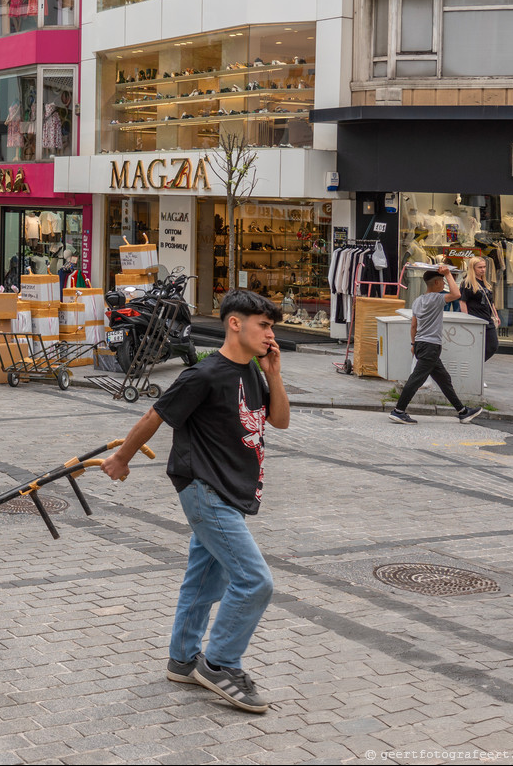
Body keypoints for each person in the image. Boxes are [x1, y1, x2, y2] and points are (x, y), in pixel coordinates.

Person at [101, 290, 290, 714]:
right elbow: (156, 414)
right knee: (255, 580)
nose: (270, 334)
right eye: (264, 325)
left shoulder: (254, 373)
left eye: (272, 327)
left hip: (229, 491)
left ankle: (184, 660)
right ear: (235, 324)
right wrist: (121, 458)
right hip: (205, 490)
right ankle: (220, 664)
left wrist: (274, 373)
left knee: (207, 581)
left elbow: (278, 421)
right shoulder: (204, 374)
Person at [390, 265, 484, 425]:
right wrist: (447, 273)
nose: (444, 285)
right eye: (442, 282)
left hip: (421, 344)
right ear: (436, 283)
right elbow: (457, 294)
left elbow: (414, 325)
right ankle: (399, 411)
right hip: (430, 346)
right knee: (416, 379)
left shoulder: (418, 300)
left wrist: (413, 343)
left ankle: (462, 412)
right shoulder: (437, 299)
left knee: (444, 379)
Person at [458, 255, 500, 364]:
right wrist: (466, 319)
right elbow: (462, 302)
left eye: (484, 267)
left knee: (492, 346)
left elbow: (491, 302)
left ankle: (476, 365)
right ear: (473, 268)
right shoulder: (467, 283)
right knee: (475, 347)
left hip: (487, 319)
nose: (483, 270)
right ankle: (475, 367)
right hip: (475, 319)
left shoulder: (485, 283)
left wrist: (496, 315)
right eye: (480, 267)